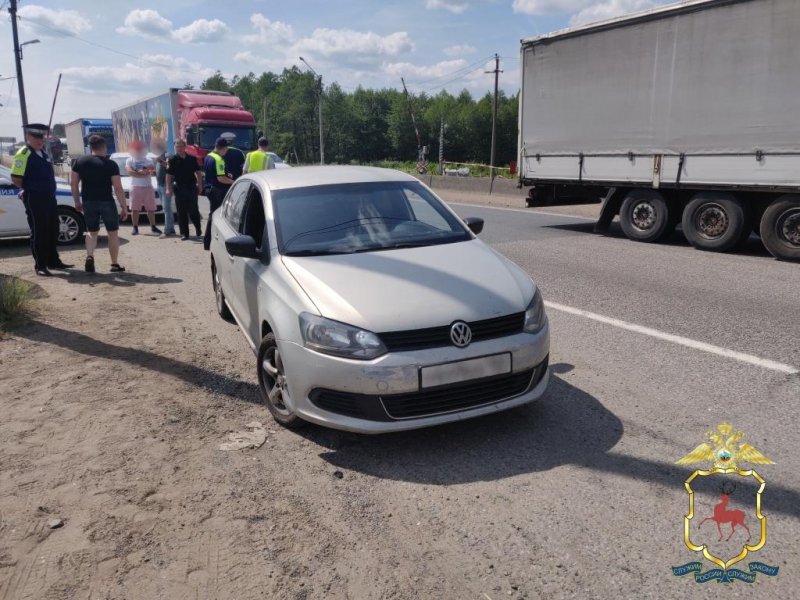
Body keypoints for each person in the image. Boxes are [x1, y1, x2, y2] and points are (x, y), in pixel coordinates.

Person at [10, 123, 72, 276]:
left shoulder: (43, 153)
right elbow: (16, 178)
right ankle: (41, 265)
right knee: (39, 231)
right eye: (36, 137)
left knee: (53, 228)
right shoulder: (23, 154)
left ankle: (54, 260)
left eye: (42, 137)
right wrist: (30, 188)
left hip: (49, 197)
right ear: (28, 137)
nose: (40, 140)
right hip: (35, 197)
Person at [71, 135, 129, 273]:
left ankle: (90, 256)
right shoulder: (111, 164)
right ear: (104, 147)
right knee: (112, 233)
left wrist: (77, 202)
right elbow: (118, 187)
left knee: (92, 232)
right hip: (106, 201)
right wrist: (124, 207)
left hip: (88, 201)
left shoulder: (79, 162)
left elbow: (73, 184)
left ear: (90, 147)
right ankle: (114, 264)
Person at [166, 139, 204, 241]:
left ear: (185, 147)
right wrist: (168, 188)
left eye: (181, 146)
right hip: (179, 188)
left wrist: (200, 186)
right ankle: (184, 233)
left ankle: (198, 228)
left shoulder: (192, 158)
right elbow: (169, 175)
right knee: (181, 212)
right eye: (177, 147)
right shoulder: (172, 160)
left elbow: (198, 173)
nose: (179, 148)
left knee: (193, 210)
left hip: (191, 187)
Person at [203, 137, 234, 250]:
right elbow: (221, 178)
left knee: (213, 214)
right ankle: (209, 241)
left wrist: (226, 175)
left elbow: (214, 173)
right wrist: (234, 182)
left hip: (209, 189)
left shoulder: (209, 156)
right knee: (216, 216)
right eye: (227, 148)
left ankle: (208, 241)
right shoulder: (219, 159)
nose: (227, 151)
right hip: (217, 191)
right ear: (224, 148)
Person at [126, 140, 161, 236]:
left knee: (151, 209)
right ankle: (135, 228)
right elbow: (129, 171)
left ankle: (153, 227)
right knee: (135, 209)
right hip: (135, 187)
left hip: (148, 187)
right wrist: (141, 173)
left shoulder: (148, 159)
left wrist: (138, 172)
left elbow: (150, 169)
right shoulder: (129, 160)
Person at [155, 147, 174, 237]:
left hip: (166, 185)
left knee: (166, 209)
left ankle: (166, 230)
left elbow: (170, 167)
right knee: (167, 208)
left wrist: (160, 162)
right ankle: (171, 228)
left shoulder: (168, 155)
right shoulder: (158, 156)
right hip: (159, 185)